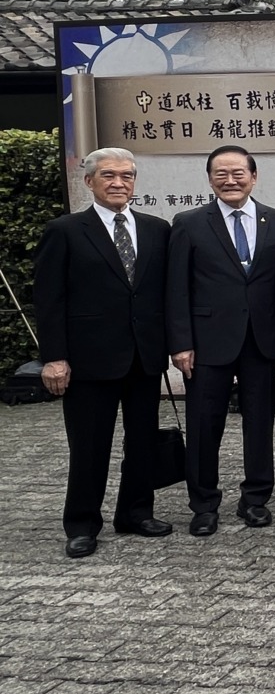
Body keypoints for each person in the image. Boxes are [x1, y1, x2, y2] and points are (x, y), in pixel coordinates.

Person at [36, 148, 172, 558]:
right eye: (109, 176)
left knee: (142, 441)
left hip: (144, 355)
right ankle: (81, 523)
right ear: (89, 182)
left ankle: (135, 512)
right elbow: (49, 299)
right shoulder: (65, 230)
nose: (118, 183)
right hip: (89, 359)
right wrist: (55, 357)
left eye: (127, 176)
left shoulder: (156, 228)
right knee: (90, 445)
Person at [168, 145, 275, 536]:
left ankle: (255, 499)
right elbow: (176, 289)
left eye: (238, 172)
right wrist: (180, 342)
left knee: (260, 424)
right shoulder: (188, 222)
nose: (230, 180)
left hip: (261, 339)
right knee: (205, 426)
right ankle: (204, 504)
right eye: (220, 173)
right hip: (206, 343)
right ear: (209, 179)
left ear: (253, 177)